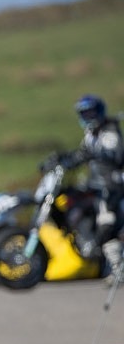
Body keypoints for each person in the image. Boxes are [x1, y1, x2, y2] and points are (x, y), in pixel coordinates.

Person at [59, 95, 124, 283]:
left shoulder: (110, 133)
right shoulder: (90, 134)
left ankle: (117, 267)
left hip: (112, 186)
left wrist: (96, 153)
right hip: (94, 186)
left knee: (107, 223)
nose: (88, 117)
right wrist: (63, 160)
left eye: (91, 113)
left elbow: (114, 153)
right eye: (84, 113)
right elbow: (81, 154)